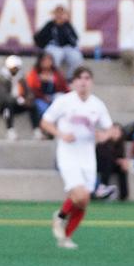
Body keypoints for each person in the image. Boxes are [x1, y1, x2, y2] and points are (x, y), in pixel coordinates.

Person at [40, 66, 112, 250]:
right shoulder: (64, 101)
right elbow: (45, 121)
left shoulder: (97, 105)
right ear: (73, 82)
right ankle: (60, 218)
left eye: (87, 78)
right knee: (80, 194)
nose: (83, 82)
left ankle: (65, 235)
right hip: (68, 154)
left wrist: (104, 136)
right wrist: (60, 134)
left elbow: (109, 128)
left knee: (84, 200)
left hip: (87, 156)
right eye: (79, 78)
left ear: (91, 82)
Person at [0, 55, 37, 141]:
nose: (16, 70)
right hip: (1, 105)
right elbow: (4, 96)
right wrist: (20, 101)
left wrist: (29, 98)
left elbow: (28, 91)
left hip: (17, 102)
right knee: (8, 106)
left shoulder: (21, 78)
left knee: (33, 105)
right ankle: (10, 130)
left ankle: (37, 130)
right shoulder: (2, 79)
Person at [25, 52, 68, 137]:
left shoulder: (56, 74)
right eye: (45, 60)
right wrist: (44, 97)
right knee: (43, 108)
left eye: (49, 60)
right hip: (39, 97)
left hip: (53, 96)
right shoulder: (34, 73)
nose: (47, 62)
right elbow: (32, 89)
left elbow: (63, 87)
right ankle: (45, 129)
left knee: (60, 100)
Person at [34, 5, 83, 79]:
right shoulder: (50, 25)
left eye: (61, 14)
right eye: (57, 13)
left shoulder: (67, 25)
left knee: (76, 57)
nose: (59, 16)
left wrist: (65, 30)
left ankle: (70, 77)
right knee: (56, 55)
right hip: (53, 47)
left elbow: (75, 39)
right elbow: (38, 37)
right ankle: (54, 77)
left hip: (66, 47)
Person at [95, 123, 129, 202]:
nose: (116, 133)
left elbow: (121, 156)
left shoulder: (120, 143)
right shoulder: (104, 141)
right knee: (108, 163)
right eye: (114, 131)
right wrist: (117, 160)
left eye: (118, 131)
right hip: (101, 164)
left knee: (122, 168)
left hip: (113, 165)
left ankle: (124, 195)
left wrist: (123, 162)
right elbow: (103, 156)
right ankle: (103, 187)